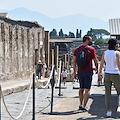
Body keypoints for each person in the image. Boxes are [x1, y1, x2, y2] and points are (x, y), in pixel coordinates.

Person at [73, 35, 98, 111]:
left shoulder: (77, 49)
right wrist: (97, 68)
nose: (91, 41)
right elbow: (95, 60)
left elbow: (74, 62)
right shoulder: (91, 49)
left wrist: (74, 72)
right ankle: (84, 105)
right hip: (88, 71)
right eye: (90, 40)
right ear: (87, 40)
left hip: (80, 71)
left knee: (81, 88)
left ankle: (80, 104)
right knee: (87, 89)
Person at [98, 38, 120, 117]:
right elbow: (118, 65)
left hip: (107, 74)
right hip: (116, 73)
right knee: (119, 92)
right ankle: (119, 106)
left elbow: (101, 65)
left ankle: (108, 111)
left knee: (107, 93)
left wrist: (99, 74)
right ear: (115, 45)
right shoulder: (117, 53)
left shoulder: (105, 53)